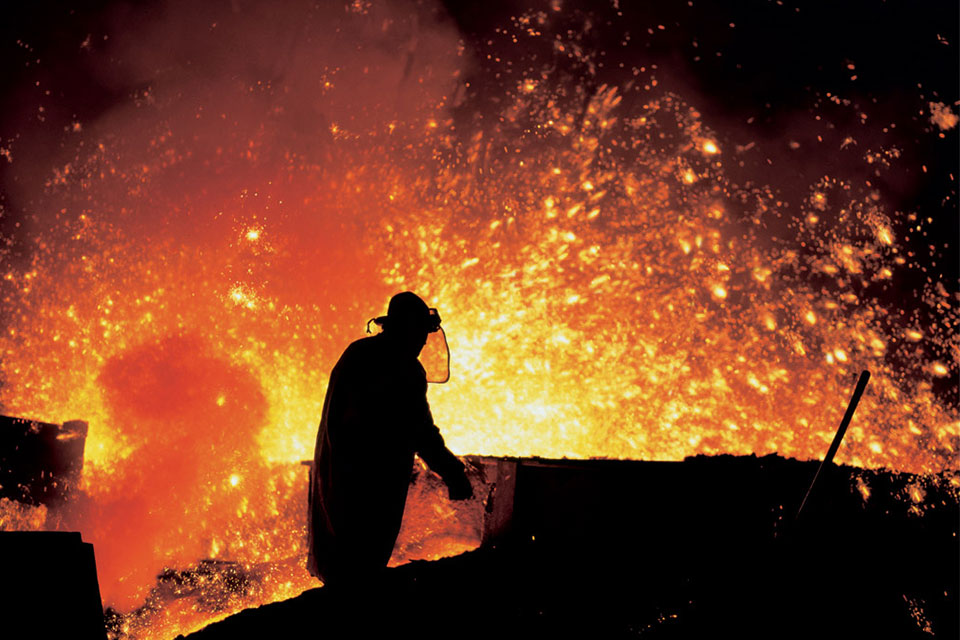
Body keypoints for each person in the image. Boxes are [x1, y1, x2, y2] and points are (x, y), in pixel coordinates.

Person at [307, 291, 473, 588]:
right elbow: (420, 430)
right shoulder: (402, 366)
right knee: (361, 570)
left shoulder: (357, 353)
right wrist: (453, 473)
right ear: (408, 329)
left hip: (338, 475)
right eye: (422, 332)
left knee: (341, 566)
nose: (424, 341)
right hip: (370, 483)